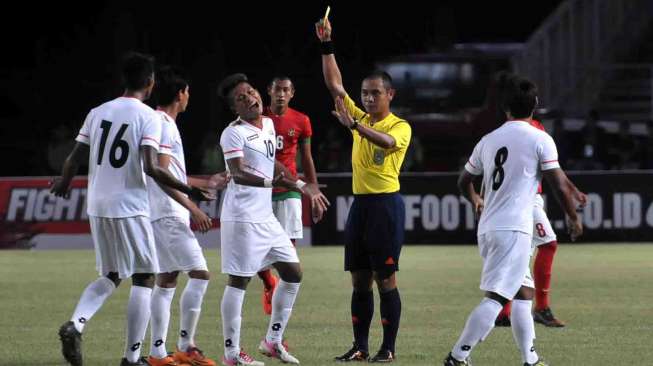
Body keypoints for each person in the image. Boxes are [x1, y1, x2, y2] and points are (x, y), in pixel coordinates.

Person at [51, 52, 213, 366]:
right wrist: (189, 188)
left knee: (111, 274)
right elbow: (152, 168)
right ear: (150, 83)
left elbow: (74, 157)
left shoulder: (98, 111)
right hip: (131, 206)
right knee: (144, 277)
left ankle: (76, 323)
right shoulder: (149, 117)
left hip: (97, 205)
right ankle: (132, 358)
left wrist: (64, 182)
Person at [444, 72, 583, 366]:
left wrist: (475, 199)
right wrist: (572, 216)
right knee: (496, 297)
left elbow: (463, 180)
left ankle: (529, 359)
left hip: (490, 226)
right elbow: (557, 184)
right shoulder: (540, 138)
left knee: (523, 293)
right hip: (514, 229)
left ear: (505, 108)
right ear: (535, 105)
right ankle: (458, 356)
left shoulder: (488, 140)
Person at [216, 73, 330, 366]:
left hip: (265, 217)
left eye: (251, 92)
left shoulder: (267, 124)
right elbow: (238, 172)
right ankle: (231, 354)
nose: (250, 98)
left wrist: (304, 186)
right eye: (241, 98)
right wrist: (271, 183)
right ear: (235, 109)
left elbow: (273, 163)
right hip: (241, 218)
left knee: (293, 273)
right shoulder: (233, 133)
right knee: (238, 281)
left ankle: (273, 340)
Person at [316, 18, 412, 363]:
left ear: (390, 95)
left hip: (386, 206)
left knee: (386, 278)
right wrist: (327, 45)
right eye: (365, 93)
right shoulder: (362, 119)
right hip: (361, 206)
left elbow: (387, 142)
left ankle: (388, 349)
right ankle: (360, 347)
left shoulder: (398, 125)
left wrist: (354, 125)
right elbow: (335, 86)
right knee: (359, 280)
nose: (369, 98)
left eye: (376, 93)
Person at [146, 66, 228, 366]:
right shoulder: (165, 124)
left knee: (167, 279)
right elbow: (162, 173)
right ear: (180, 94)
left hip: (160, 212)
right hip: (169, 212)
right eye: (188, 92)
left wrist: (206, 182)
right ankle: (186, 346)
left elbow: (171, 173)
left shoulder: (157, 120)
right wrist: (193, 207)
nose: (189, 97)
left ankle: (157, 353)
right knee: (201, 274)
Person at [495, 119, 587, 328]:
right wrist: (572, 212)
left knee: (521, 253)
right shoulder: (535, 129)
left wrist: (572, 189)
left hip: (507, 199)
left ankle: (503, 313)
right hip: (525, 198)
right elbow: (551, 169)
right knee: (548, 243)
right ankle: (541, 308)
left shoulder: (501, 131)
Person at [256, 75, 318, 315]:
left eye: (285, 90)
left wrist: (312, 190)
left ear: (292, 94)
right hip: (262, 190)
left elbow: (307, 157)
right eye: (277, 89)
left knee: (287, 252)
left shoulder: (301, 120)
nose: (281, 94)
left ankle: (280, 312)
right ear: (269, 91)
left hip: (290, 191)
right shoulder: (258, 120)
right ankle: (267, 282)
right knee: (258, 250)